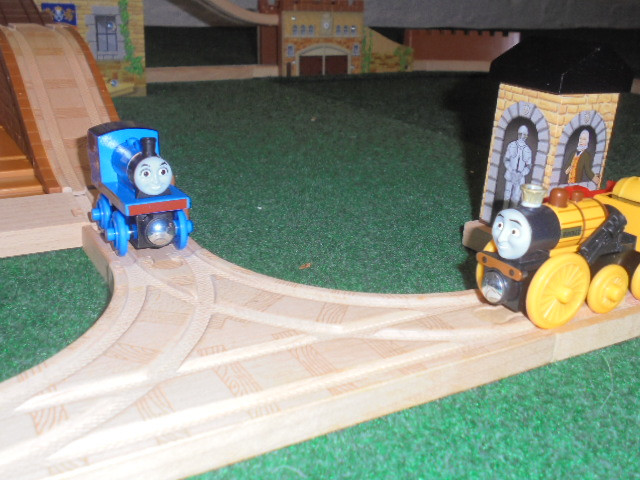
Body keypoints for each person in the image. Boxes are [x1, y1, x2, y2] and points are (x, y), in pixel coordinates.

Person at [503, 125, 532, 207]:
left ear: (526, 136)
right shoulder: (511, 145)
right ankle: (504, 209)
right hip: (510, 173)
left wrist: (522, 173)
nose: (522, 136)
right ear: (518, 134)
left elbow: (528, 166)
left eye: (524, 134)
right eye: (520, 134)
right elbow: (506, 159)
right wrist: (511, 170)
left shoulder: (528, 150)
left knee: (516, 197)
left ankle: (513, 210)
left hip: (520, 176)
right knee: (507, 194)